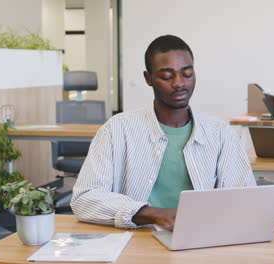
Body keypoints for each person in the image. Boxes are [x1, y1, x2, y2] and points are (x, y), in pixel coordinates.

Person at [70, 35, 256, 229]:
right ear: (148, 78)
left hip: (202, 239)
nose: (179, 83)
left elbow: (245, 199)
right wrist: (152, 214)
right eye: (167, 76)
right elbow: (85, 198)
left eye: (187, 74)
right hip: (137, 240)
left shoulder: (220, 133)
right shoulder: (116, 129)